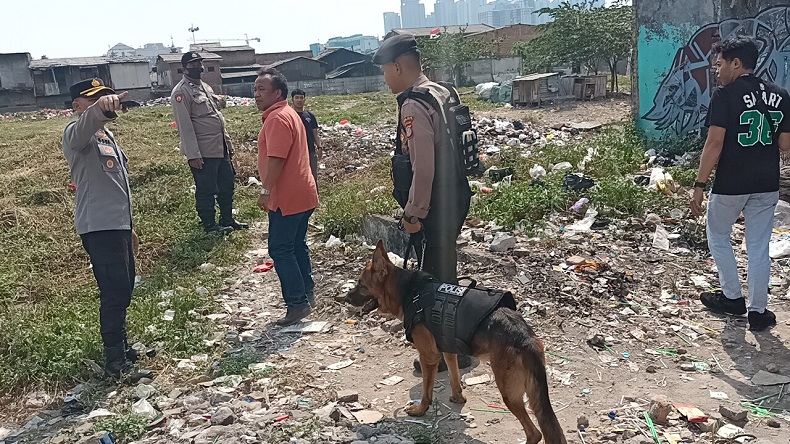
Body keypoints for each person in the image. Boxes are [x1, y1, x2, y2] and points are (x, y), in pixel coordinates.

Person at [372, 35, 474, 371]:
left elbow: (423, 166)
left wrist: (413, 213)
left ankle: (446, 354)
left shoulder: (413, 104)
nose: (385, 78)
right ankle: (456, 347)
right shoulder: (441, 91)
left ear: (398, 66)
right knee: (445, 272)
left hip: (434, 204)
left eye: (386, 70)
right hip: (456, 194)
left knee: (433, 281)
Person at [691, 36, 790, 331]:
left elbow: (714, 143)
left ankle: (732, 298)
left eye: (719, 64)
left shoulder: (725, 95)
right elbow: (785, 144)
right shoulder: (781, 94)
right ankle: (758, 312)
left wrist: (699, 184)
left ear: (736, 63)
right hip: (766, 183)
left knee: (719, 235)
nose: (716, 71)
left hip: (731, 183)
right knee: (758, 246)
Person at [62, 78, 153, 382]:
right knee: (114, 291)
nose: (105, 101)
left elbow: (117, 186)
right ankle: (114, 359)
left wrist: (129, 227)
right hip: (99, 227)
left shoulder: (106, 136)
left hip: (117, 226)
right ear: (77, 106)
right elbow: (84, 126)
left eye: (106, 96)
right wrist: (99, 109)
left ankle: (124, 347)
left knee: (124, 287)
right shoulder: (77, 135)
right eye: (95, 99)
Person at [254, 68, 320, 326]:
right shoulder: (288, 113)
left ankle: (297, 303)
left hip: (287, 196)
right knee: (295, 245)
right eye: (255, 89)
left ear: (277, 92)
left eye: (262, 89)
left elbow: (277, 160)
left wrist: (265, 190)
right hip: (303, 192)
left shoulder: (277, 119)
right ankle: (307, 295)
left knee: (280, 249)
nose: (257, 94)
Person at [171, 51, 247, 235]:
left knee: (227, 185)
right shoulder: (181, 92)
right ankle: (210, 225)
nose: (199, 67)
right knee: (207, 189)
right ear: (184, 68)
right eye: (194, 64)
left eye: (200, 63)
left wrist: (228, 144)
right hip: (203, 152)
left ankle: (227, 219)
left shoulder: (205, 87)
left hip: (219, 147)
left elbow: (217, 118)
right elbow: (185, 126)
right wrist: (193, 154)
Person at [290, 89, 323, 181]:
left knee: (312, 177)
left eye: (301, 98)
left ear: (304, 100)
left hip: (310, 151)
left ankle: (314, 195)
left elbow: (315, 133)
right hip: (295, 153)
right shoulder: (289, 115)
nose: (299, 100)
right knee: (297, 178)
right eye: (296, 98)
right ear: (292, 100)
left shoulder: (310, 116)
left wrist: (319, 147)